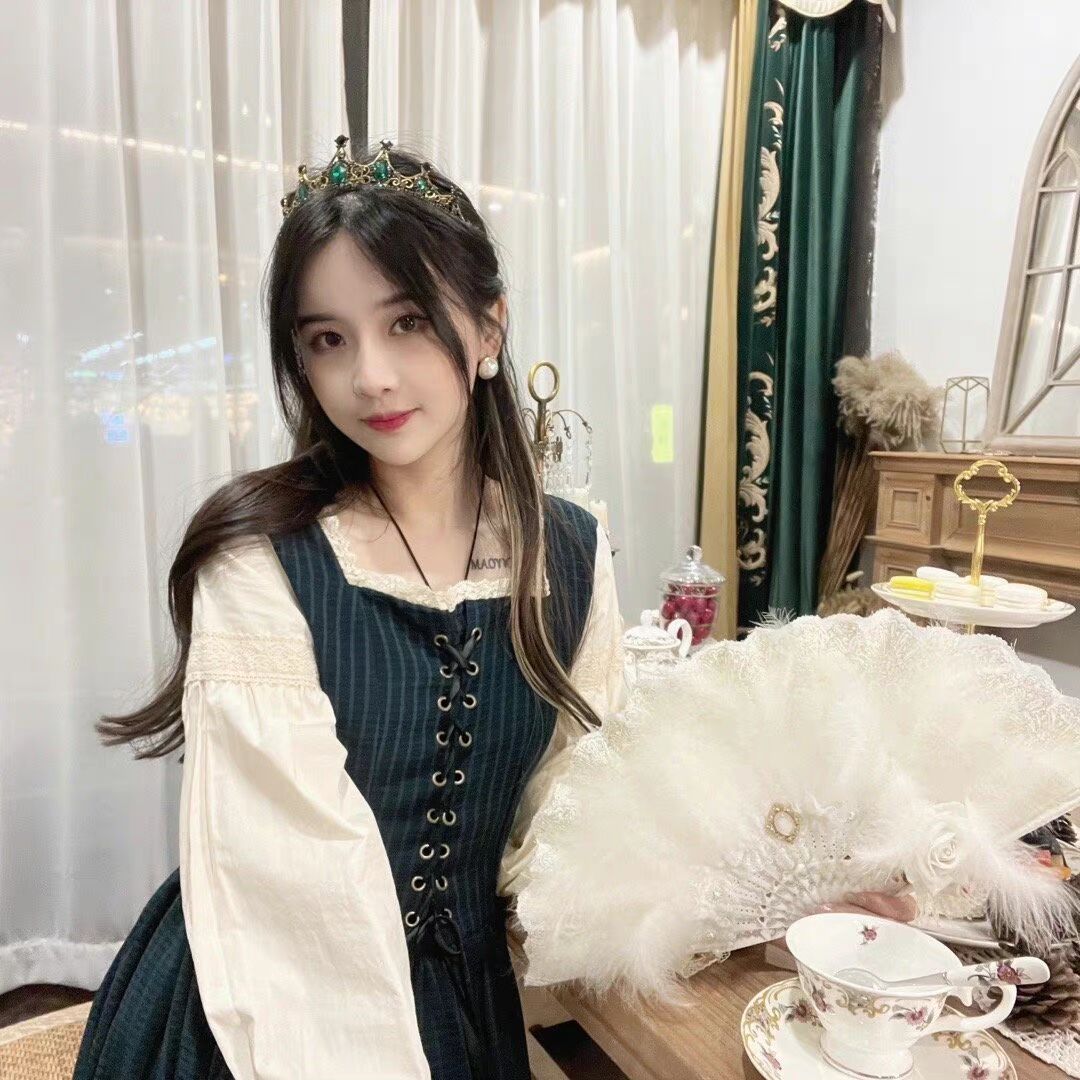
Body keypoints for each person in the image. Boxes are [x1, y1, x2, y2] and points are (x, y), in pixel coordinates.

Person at [71, 136, 912, 1080]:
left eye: (407, 322)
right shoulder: (259, 555)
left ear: (488, 330)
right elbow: (293, 886)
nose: (371, 376)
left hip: (461, 1004)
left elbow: (588, 815)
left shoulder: (568, 551)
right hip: (269, 1003)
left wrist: (771, 908)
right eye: (327, 339)